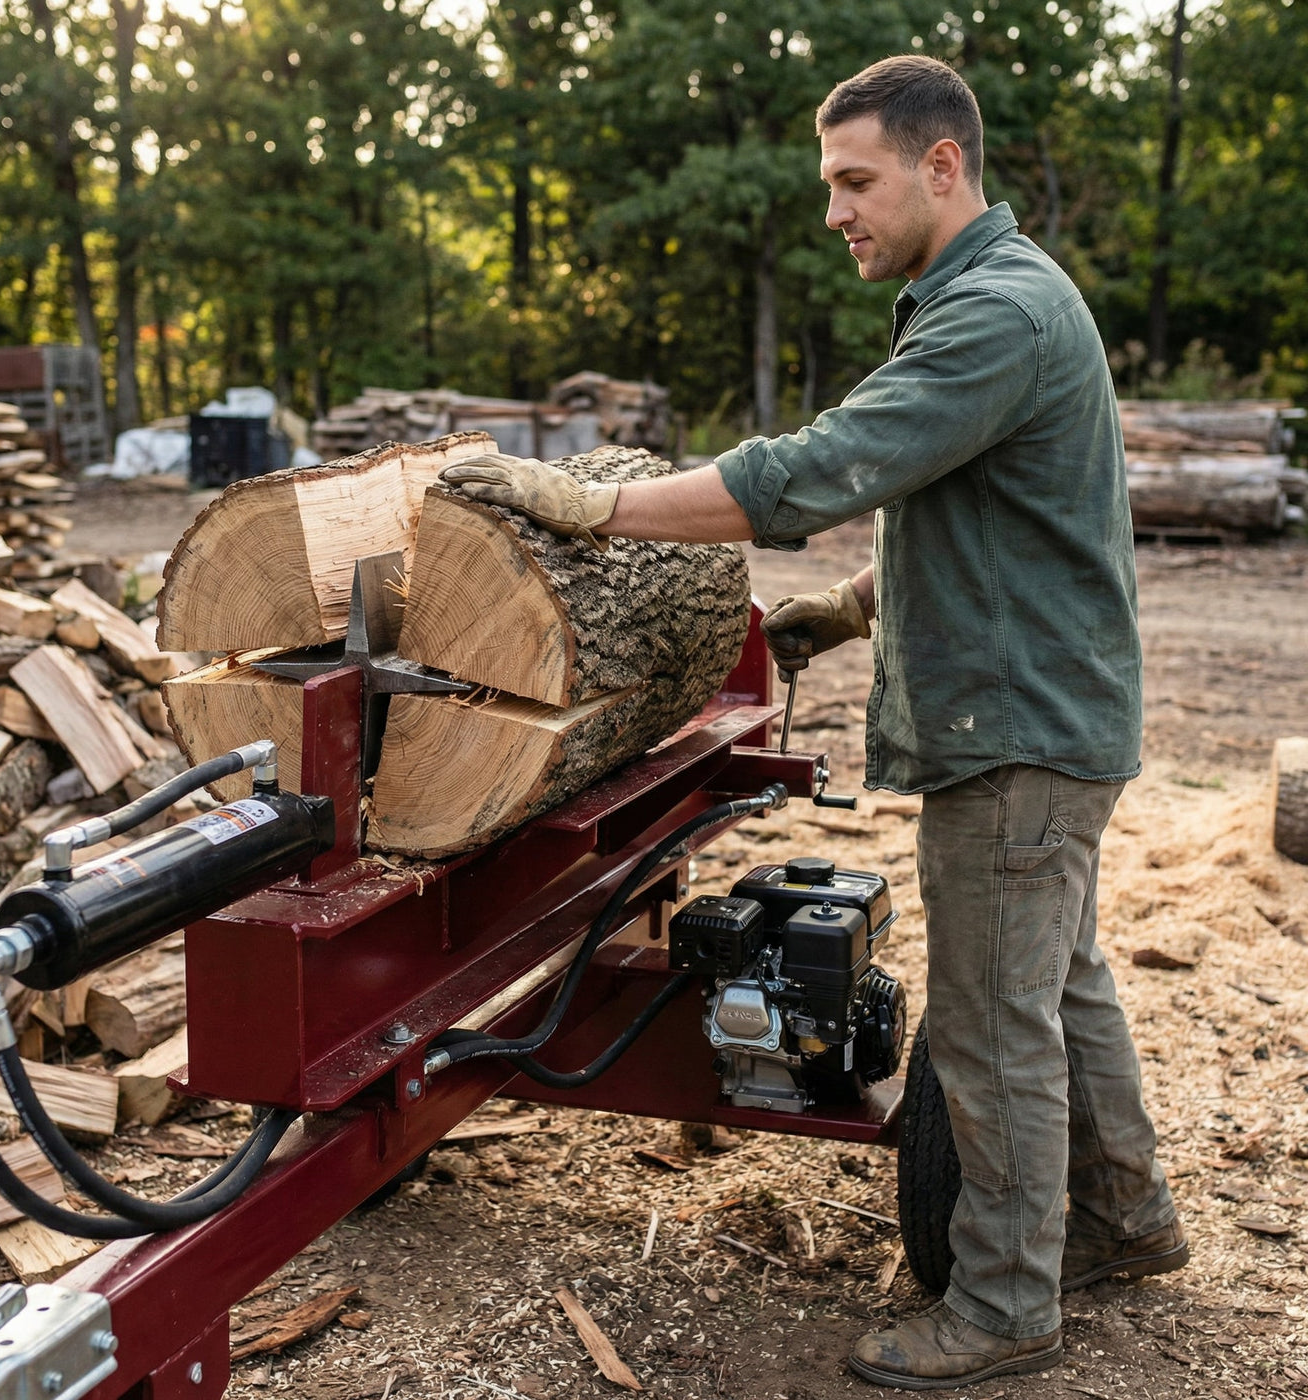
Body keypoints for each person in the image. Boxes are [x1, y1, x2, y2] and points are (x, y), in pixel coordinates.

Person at [439, 53, 1185, 1391]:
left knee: (990, 1023)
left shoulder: (991, 316)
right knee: (1057, 986)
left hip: (1018, 731)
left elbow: (824, 467)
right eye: (827, 183)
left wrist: (597, 507)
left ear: (940, 166)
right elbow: (983, 512)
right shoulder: (991, 299)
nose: (834, 209)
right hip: (1050, 707)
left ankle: (1007, 1307)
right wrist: (843, 613)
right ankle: (1126, 1224)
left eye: (856, 180)